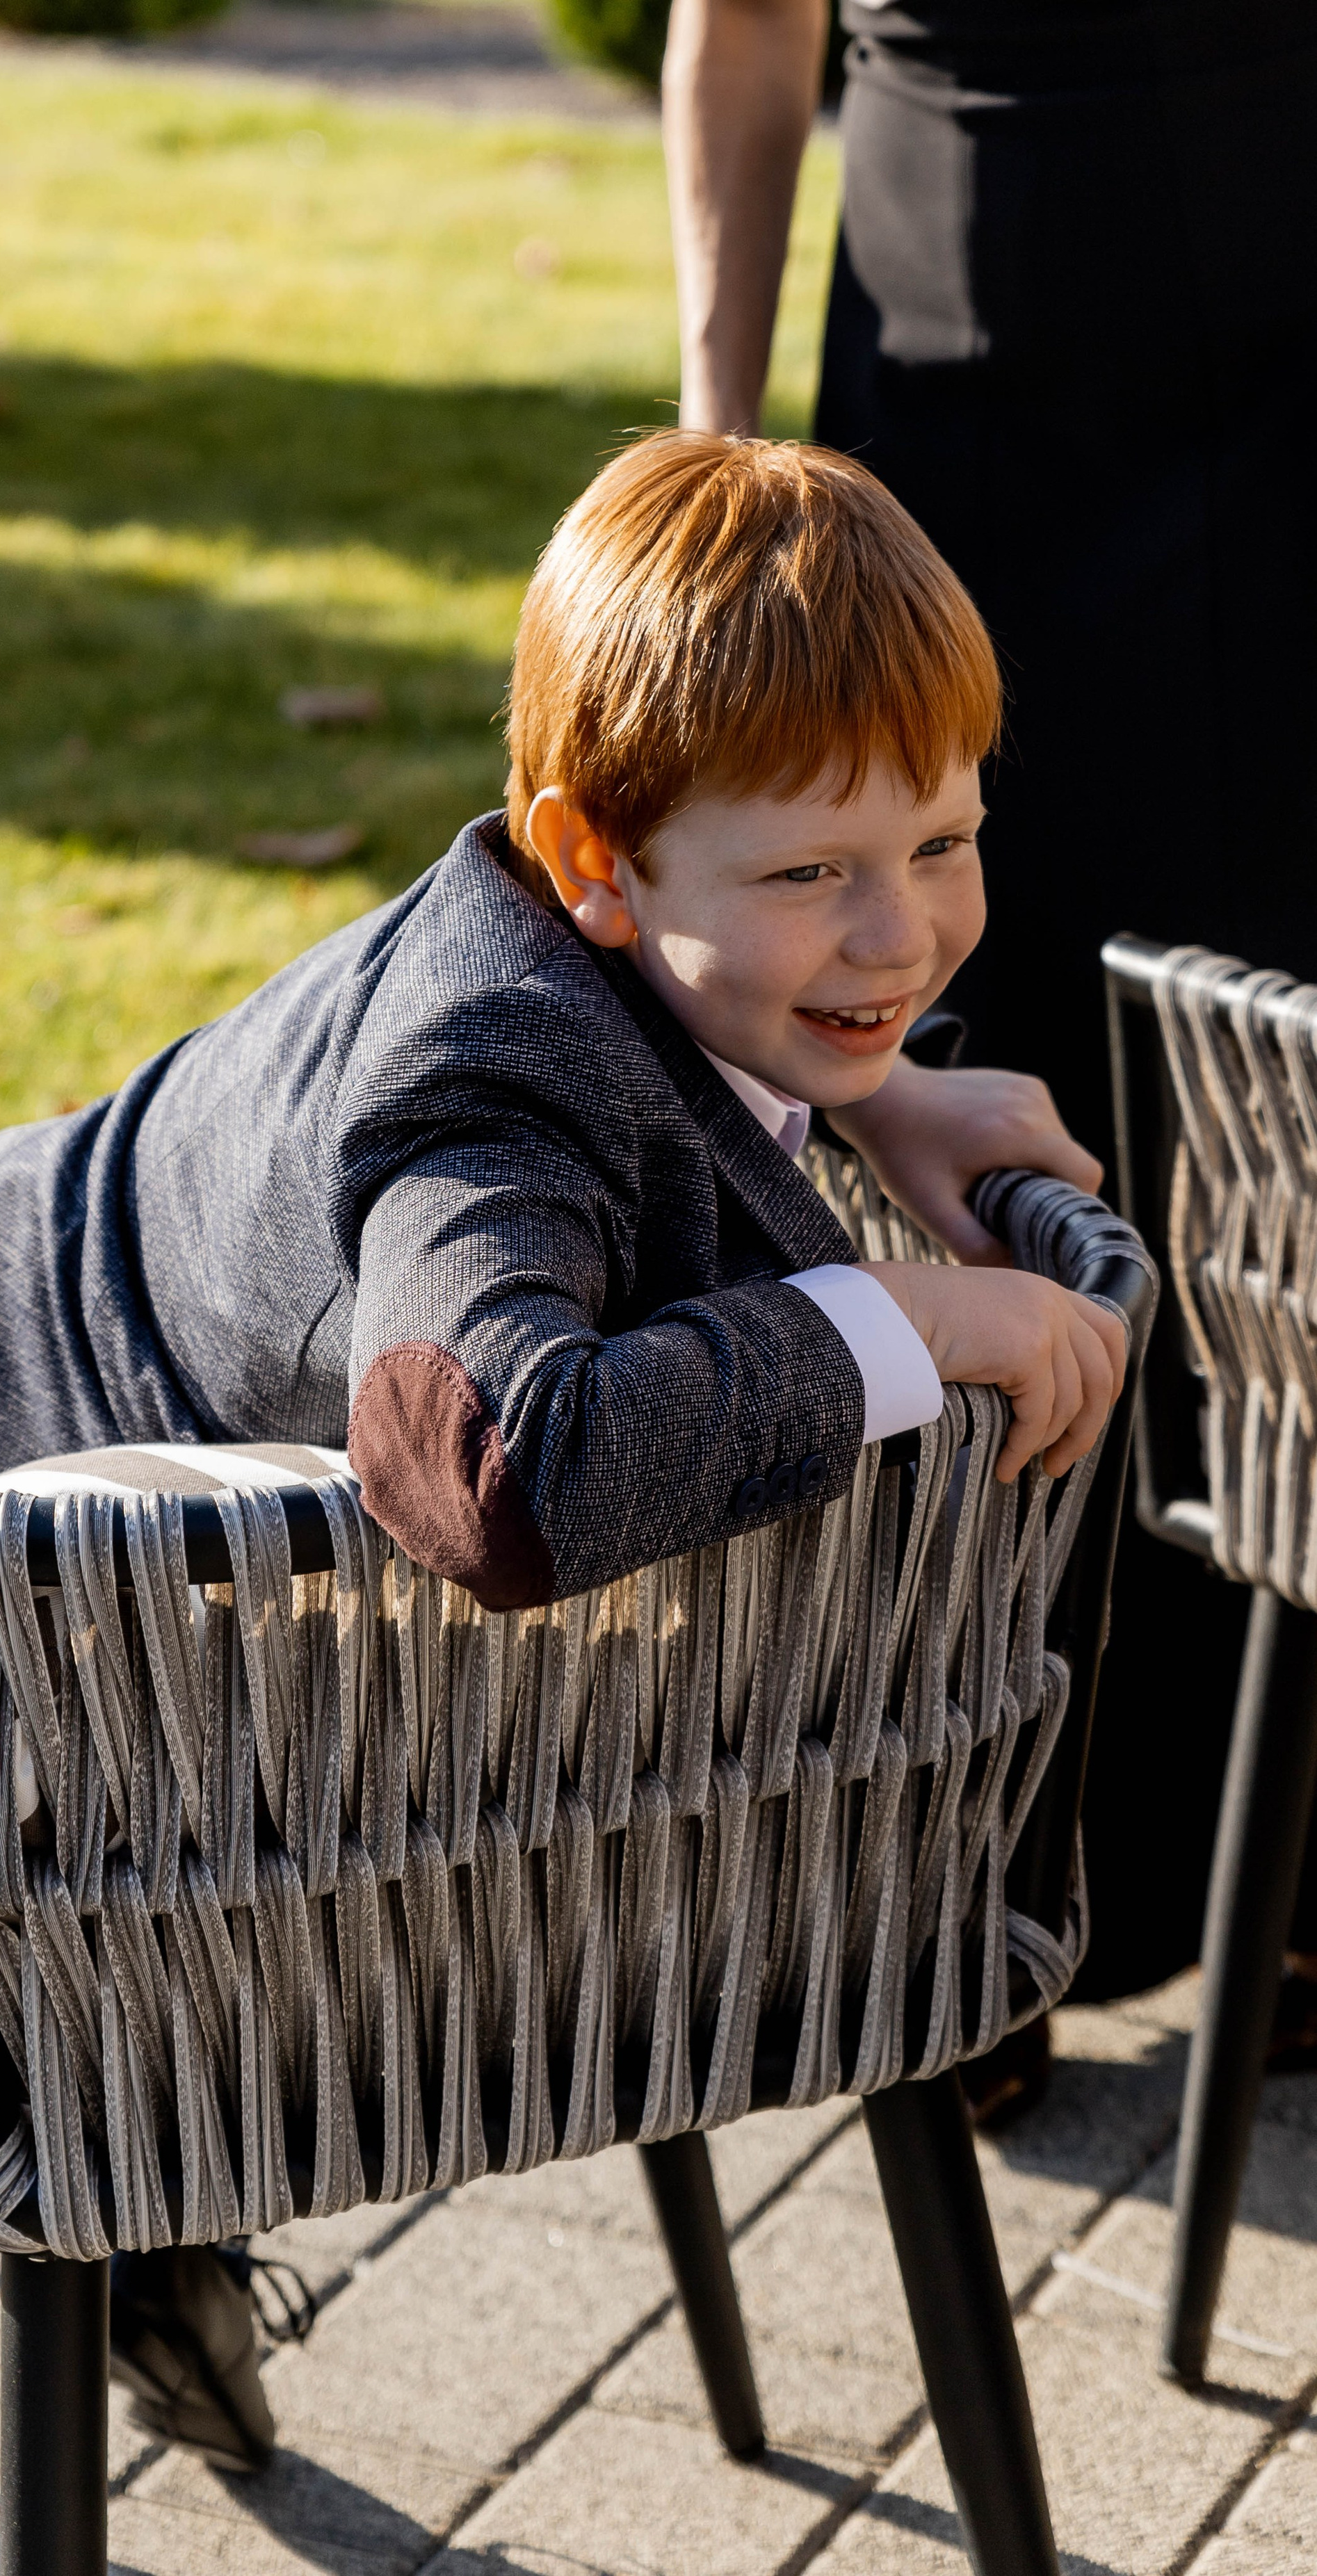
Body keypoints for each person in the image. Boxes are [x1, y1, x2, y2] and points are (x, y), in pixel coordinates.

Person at [0, 432, 1125, 2501]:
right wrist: (912, 1320)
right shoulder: (487, 1084)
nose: (899, 922)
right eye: (815, 875)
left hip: (182, 1487)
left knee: (166, 1858)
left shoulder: (654, 945)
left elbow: (692, 1038)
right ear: (593, 861)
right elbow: (488, 1468)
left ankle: (137, 2226)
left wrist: (862, 1085)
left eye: (943, 840)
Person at [662, 0, 1317, 2041]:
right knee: (970, 1074)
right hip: (955, 397)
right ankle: (991, 1885)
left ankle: (1293, 1861)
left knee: (1284, 1088)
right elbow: (749, 30)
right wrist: (713, 444)